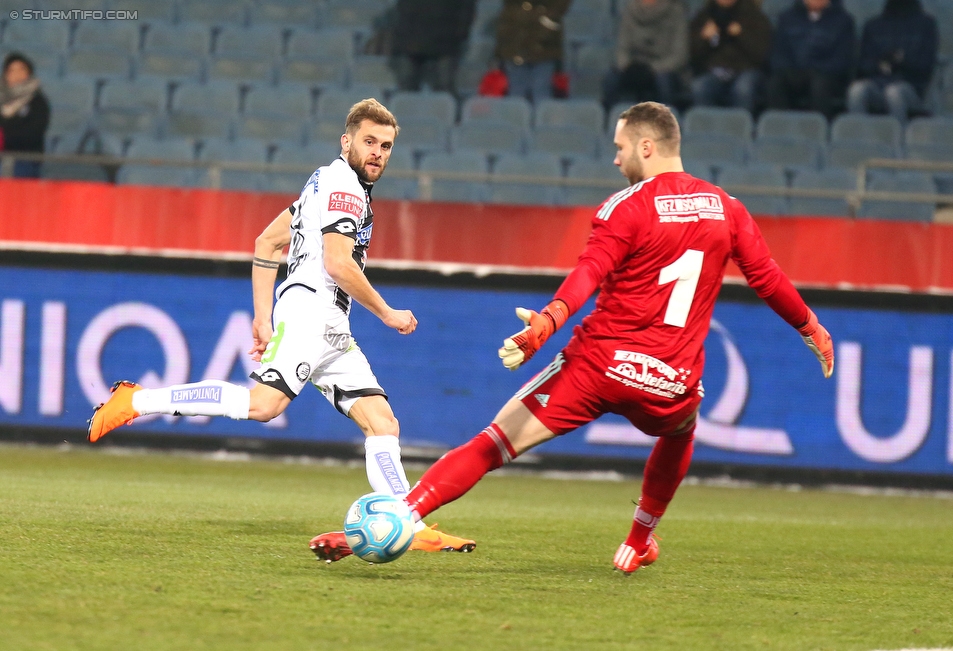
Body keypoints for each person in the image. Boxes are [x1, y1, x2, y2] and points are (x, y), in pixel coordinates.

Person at [324, 101, 835, 571]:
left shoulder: (626, 207)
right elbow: (766, 277)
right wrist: (811, 327)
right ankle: (638, 540)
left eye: (619, 148)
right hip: (670, 377)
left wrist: (545, 324)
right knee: (681, 432)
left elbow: (588, 275)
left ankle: (398, 518)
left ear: (646, 147)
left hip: (599, 366)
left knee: (492, 444)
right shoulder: (727, 208)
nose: (616, 160)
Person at [86, 98, 476, 559]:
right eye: (369, 142)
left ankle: (409, 523)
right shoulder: (345, 187)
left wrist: (262, 315)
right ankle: (136, 400)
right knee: (263, 405)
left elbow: (267, 242)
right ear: (346, 141)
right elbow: (337, 262)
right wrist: (387, 312)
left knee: (382, 421)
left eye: (386, 146)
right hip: (314, 312)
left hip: (327, 323)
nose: (378, 153)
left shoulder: (322, 181)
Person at [845, 0, 938, 124]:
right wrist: (884, 65)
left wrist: (901, 61)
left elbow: (925, 65)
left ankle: (899, 137)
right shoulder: (873, 25)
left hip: (911, 87)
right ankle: (858, 134)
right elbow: (863, 64)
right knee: (856, 90)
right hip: (877, 83)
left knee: (894, 93)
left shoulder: (926, 24)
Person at [767, 0, 856, 119]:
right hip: (793, 71)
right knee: (775, 83)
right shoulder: (787, 17)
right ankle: (778, 127)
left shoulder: (843, 20)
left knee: (820, 85)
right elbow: (779, 53)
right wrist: (788, 69)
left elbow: (842, 58)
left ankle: (818, 129)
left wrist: (818, 70)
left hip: (826, 74)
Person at [602, 0, 688, 111]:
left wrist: (653, 69)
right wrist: (627, 66)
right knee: (611, 79)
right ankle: (611, 118)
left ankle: (665, 122)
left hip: (663, 68)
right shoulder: (630, 10)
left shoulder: (676, 12)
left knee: (664, 83)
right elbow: (622, 48)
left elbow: (680, 55)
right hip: (634, 65)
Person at [689, 0, 772, 115]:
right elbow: (692, 54)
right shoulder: (705, 16)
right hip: (715, 70)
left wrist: (741, 34)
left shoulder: (754, 15)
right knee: (699, 87)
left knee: (743, 89)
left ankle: (741, 129)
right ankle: (706, 128)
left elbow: (762, 54)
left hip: (746, 69)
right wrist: (703, 39)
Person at [390, 0, 477, 96]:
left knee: (444, 94)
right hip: (410, 44)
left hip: (446, 43)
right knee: (406, 94)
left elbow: (466, 11)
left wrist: (458, 36)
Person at [494, 0, 571, 102]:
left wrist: (549, 21)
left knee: (541, 92)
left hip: (545, 46)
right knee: (516, 94)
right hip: (514, 41)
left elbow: (560, 6)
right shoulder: (511, 10)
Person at [0, 52, 50, 179]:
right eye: (11, 70)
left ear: (29, 73)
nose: (16, 74)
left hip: (25, 158)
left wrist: (4, 136)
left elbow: (33, 133)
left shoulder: (38, 101)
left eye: (21, 69)